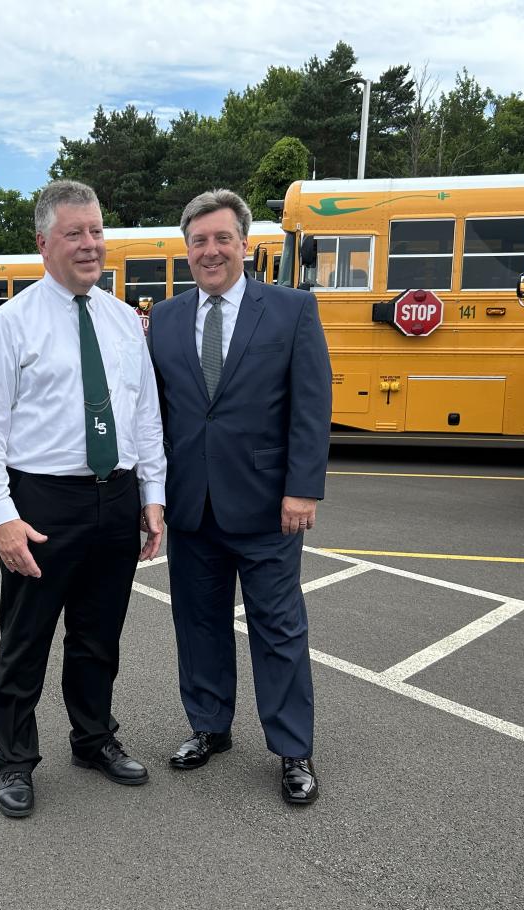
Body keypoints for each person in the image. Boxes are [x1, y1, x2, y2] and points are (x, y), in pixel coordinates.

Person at [0, 180, 167, 819]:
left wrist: (151, 494)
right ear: (43, 243)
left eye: (96, 231)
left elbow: (145, 414)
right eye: (74, 233)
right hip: (44, 503)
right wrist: (3, 518)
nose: (90, 245)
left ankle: (93, 737)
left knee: (97, 635)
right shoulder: (11, 323)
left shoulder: (122, 321)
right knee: (25, 639)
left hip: (116, 496)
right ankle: (16, 761)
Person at [148, 189, 332, 806]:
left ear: (245, 245)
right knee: (198, 624)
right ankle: (209, 726)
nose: (210, 250)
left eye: (222, 238)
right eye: (199, 241)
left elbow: (311, 406)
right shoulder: (168, 318)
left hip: (266, 508)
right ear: (187, 249)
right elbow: (159, 413)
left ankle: (293, 748)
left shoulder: (290, 310)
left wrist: (302, 488)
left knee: (277, 629)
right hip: (192, 505)